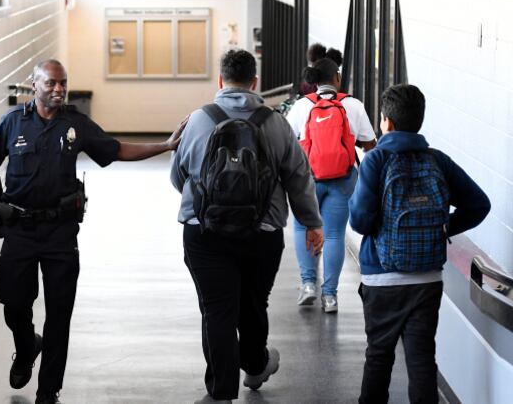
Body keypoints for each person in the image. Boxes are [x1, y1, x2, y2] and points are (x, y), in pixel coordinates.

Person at [0, 59, 186, 404]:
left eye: (63, 83)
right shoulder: (12, 122)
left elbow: (116, 150)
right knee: (14, 304)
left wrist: (165, 147)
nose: (58, 90)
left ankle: (49, 392)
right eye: (51, 84)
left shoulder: (75, 124)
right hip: (19, 229)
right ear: (34, 85)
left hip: (60, 232)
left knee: (60, 314)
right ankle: (26, 346)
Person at [170, 49, 324, 404]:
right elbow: (299, 178)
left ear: (220, 81)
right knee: (254, 304)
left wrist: (204, 202)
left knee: (216, 309)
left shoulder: (198, 120)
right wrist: (312, 222)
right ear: (255, 82)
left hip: (204, 232)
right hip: (263, 232)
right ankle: (255, 365)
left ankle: (222, 391)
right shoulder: (275, 122)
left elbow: (178, 176)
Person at [349, 84, 490, 403]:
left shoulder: (376, 160)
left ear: (386, 122)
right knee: (422, 361)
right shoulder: (437, 161)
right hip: (427, 277)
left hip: (381, 277)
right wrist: (443, 228)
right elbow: (479, 205)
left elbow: (358, 221)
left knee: (379, 356)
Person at [285, 57, 377, 313]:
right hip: (343, 178)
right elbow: (370, 144)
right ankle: (330, 296)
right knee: (334, 234)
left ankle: (307, 285)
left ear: (314, 81)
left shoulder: (301, 106)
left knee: (304, 227)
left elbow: (287, 143)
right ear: (337, 78)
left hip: (307, 179)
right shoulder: (353, 105)